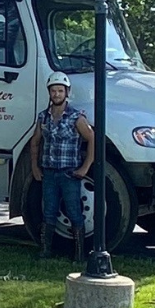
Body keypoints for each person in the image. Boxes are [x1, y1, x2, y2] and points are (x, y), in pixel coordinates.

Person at [28, 70, 95, 262]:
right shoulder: (44, 117)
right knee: (49, 211)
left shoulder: (76, 117)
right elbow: (35, 142)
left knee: (74, 211)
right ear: (49, 92)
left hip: (69, 174)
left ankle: (79, 254)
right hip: (49, 172)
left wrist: (85, 167)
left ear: (67, 92)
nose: (56, 94)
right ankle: (45, 250)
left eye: (60, 90)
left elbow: (92, 139)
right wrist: (35, 166)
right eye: (53, 91)